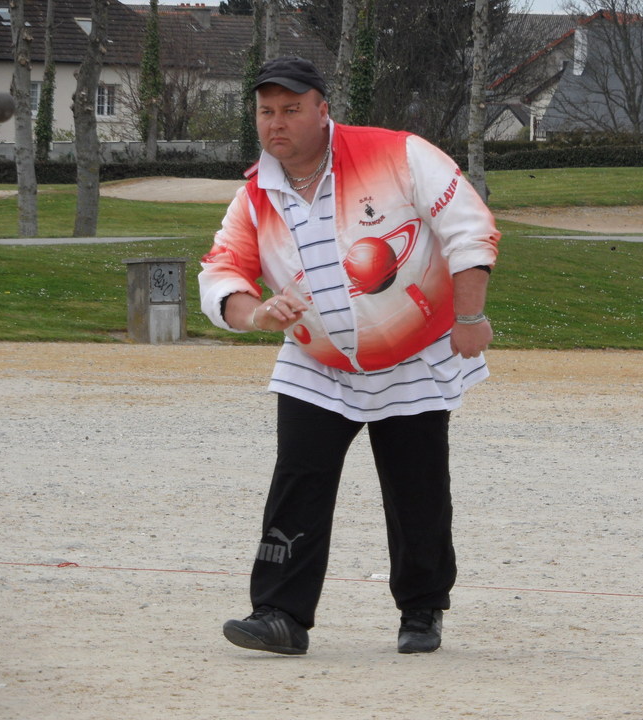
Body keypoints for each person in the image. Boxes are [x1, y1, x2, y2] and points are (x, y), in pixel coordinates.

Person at [199, 56, 499, 655]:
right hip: (319, 366)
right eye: (266, 112)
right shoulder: (254, 196)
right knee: (298, 479)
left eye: (291, 109)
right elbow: (222, 274)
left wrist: (469, 317)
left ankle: (421, 610)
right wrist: (255, 314)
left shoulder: (400, 153)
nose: (276, 123)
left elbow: (469, 228)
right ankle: (279, 613)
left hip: (415, 357)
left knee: (417, 487)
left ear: (322, 109)